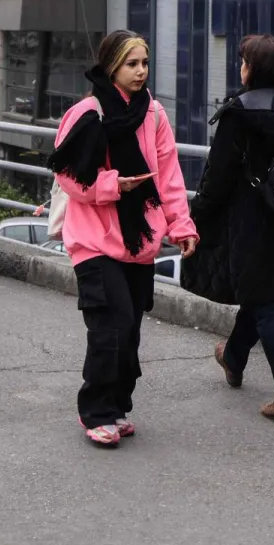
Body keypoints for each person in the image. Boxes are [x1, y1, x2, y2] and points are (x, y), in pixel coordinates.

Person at [49, 30, 198, 448]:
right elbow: (68, 175)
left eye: (145, 63)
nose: (140, 71)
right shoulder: (87, 112)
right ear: (112, 65)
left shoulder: (153, 114)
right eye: (132, 64)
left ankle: (116, 407)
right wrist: (114, 185)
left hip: (139, 242)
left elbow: (169, 177)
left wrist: (182, 226)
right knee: (109, 329)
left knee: (130, 332)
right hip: (93, 242)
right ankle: (95, 411)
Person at [182, 34, 274, 426]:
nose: (239, 68)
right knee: (264, 295)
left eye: (243, 61)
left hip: (251, 225)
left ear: (252, 68)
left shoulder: (238, 114)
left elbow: (217, 178)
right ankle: (234, 357)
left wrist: (195, 217)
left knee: (267, 304)